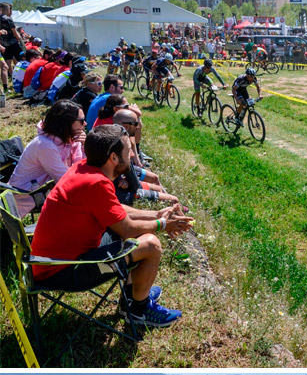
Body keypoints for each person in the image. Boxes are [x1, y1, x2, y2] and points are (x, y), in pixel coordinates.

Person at [29, 125, 190, 330]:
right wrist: (164, 224)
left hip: (49, 263)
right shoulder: (97, 183)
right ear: (114, 158)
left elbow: (115, 210)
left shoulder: (84, 168)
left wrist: (156, 215)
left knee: (137, 233)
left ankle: (132, 296)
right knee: (151, 245)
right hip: (64, 270)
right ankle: (138, 309)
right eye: (127, 150)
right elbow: (127, 228)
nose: (132, 154)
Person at [7, 100, 86, 217]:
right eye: (81, 121)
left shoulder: (70, 139)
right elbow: (65, 180)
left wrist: (85, 147)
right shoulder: (45, 145)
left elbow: (79, 166)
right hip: (27, 196)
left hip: (45, 189)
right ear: (66, 123)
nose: (85, 124)